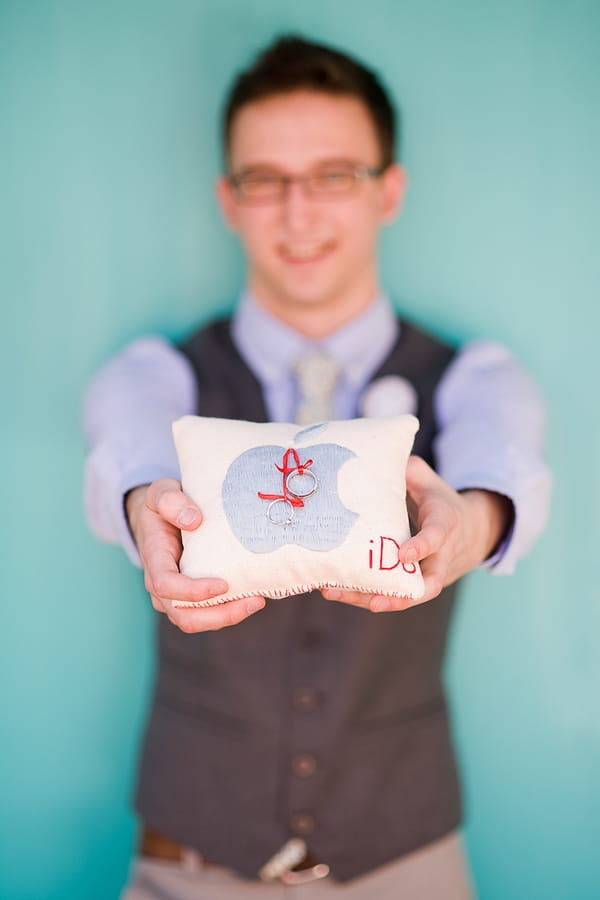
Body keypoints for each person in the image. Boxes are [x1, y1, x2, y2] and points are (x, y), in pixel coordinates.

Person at [83, 35, 551, 899]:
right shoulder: (161, 372)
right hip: (185, 866)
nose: (299, 215)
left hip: (409, 864)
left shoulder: (473, 375)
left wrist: (469, 525)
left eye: (335, 175)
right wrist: (146, 500)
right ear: (229, 199)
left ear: (389, 190)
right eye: (266, 181)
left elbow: (505, 458)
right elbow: (127, 438)